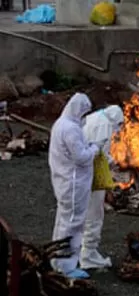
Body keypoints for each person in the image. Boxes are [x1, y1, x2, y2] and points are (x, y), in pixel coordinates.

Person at [49, 93, 99, 279]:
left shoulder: (61, 124)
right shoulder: (70, 129)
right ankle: (66, 266)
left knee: (63, 220)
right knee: (73, 223)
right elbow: (81, 157)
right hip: (74, 183)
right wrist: (95, 149)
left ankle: (56, 258)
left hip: (64, 181)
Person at [81, 105, 124, 269]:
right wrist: (114, 163)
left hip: (82, 173)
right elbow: (101, 152)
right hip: (93, 174)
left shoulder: (93, 118)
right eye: (119, 125)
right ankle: (88, 254)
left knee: (84, 213)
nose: (118, 129)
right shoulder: (104, 126)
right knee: (95, 214)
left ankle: (81, 250)